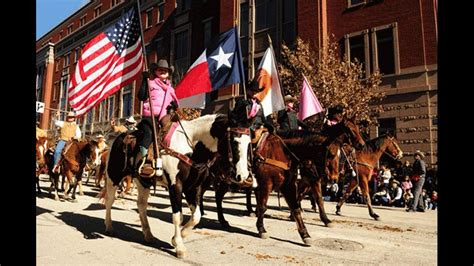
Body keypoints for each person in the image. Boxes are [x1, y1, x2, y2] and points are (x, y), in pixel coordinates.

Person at [136, 59, 179, 177]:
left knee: (175, 131)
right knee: (150, 133)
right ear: (155, 71)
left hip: (165, 116)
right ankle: (146, 160)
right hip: (150, 115)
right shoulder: (150, 83)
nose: (163, 72)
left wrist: (174, 106)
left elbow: (173, 101)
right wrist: (144, 81)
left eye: (165, 70)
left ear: (168, 73)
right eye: (160, 70)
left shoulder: (170, 88)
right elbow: (141, 96)